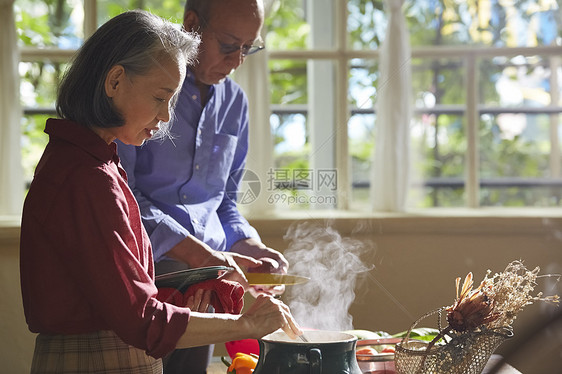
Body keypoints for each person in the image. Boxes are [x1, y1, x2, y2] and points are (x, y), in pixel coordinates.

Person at [19, 9, 302, 374]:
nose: (167, 116)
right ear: (114, 81)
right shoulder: (86, 176)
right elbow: (140, 318)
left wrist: (216, 269)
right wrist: (248, 324)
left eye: (248, 48)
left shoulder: (97, 162)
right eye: (160, 98)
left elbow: (123, 293)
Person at [116, 1, 290, 372]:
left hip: (207, 288)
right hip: (145, 280)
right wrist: (196, 254)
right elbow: (121, 195)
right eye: (229, 45)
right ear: (191, 24)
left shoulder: (236, 104)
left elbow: (223, 201)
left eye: (248, 48)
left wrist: (251, 246)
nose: (238, 60)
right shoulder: (148, 91)